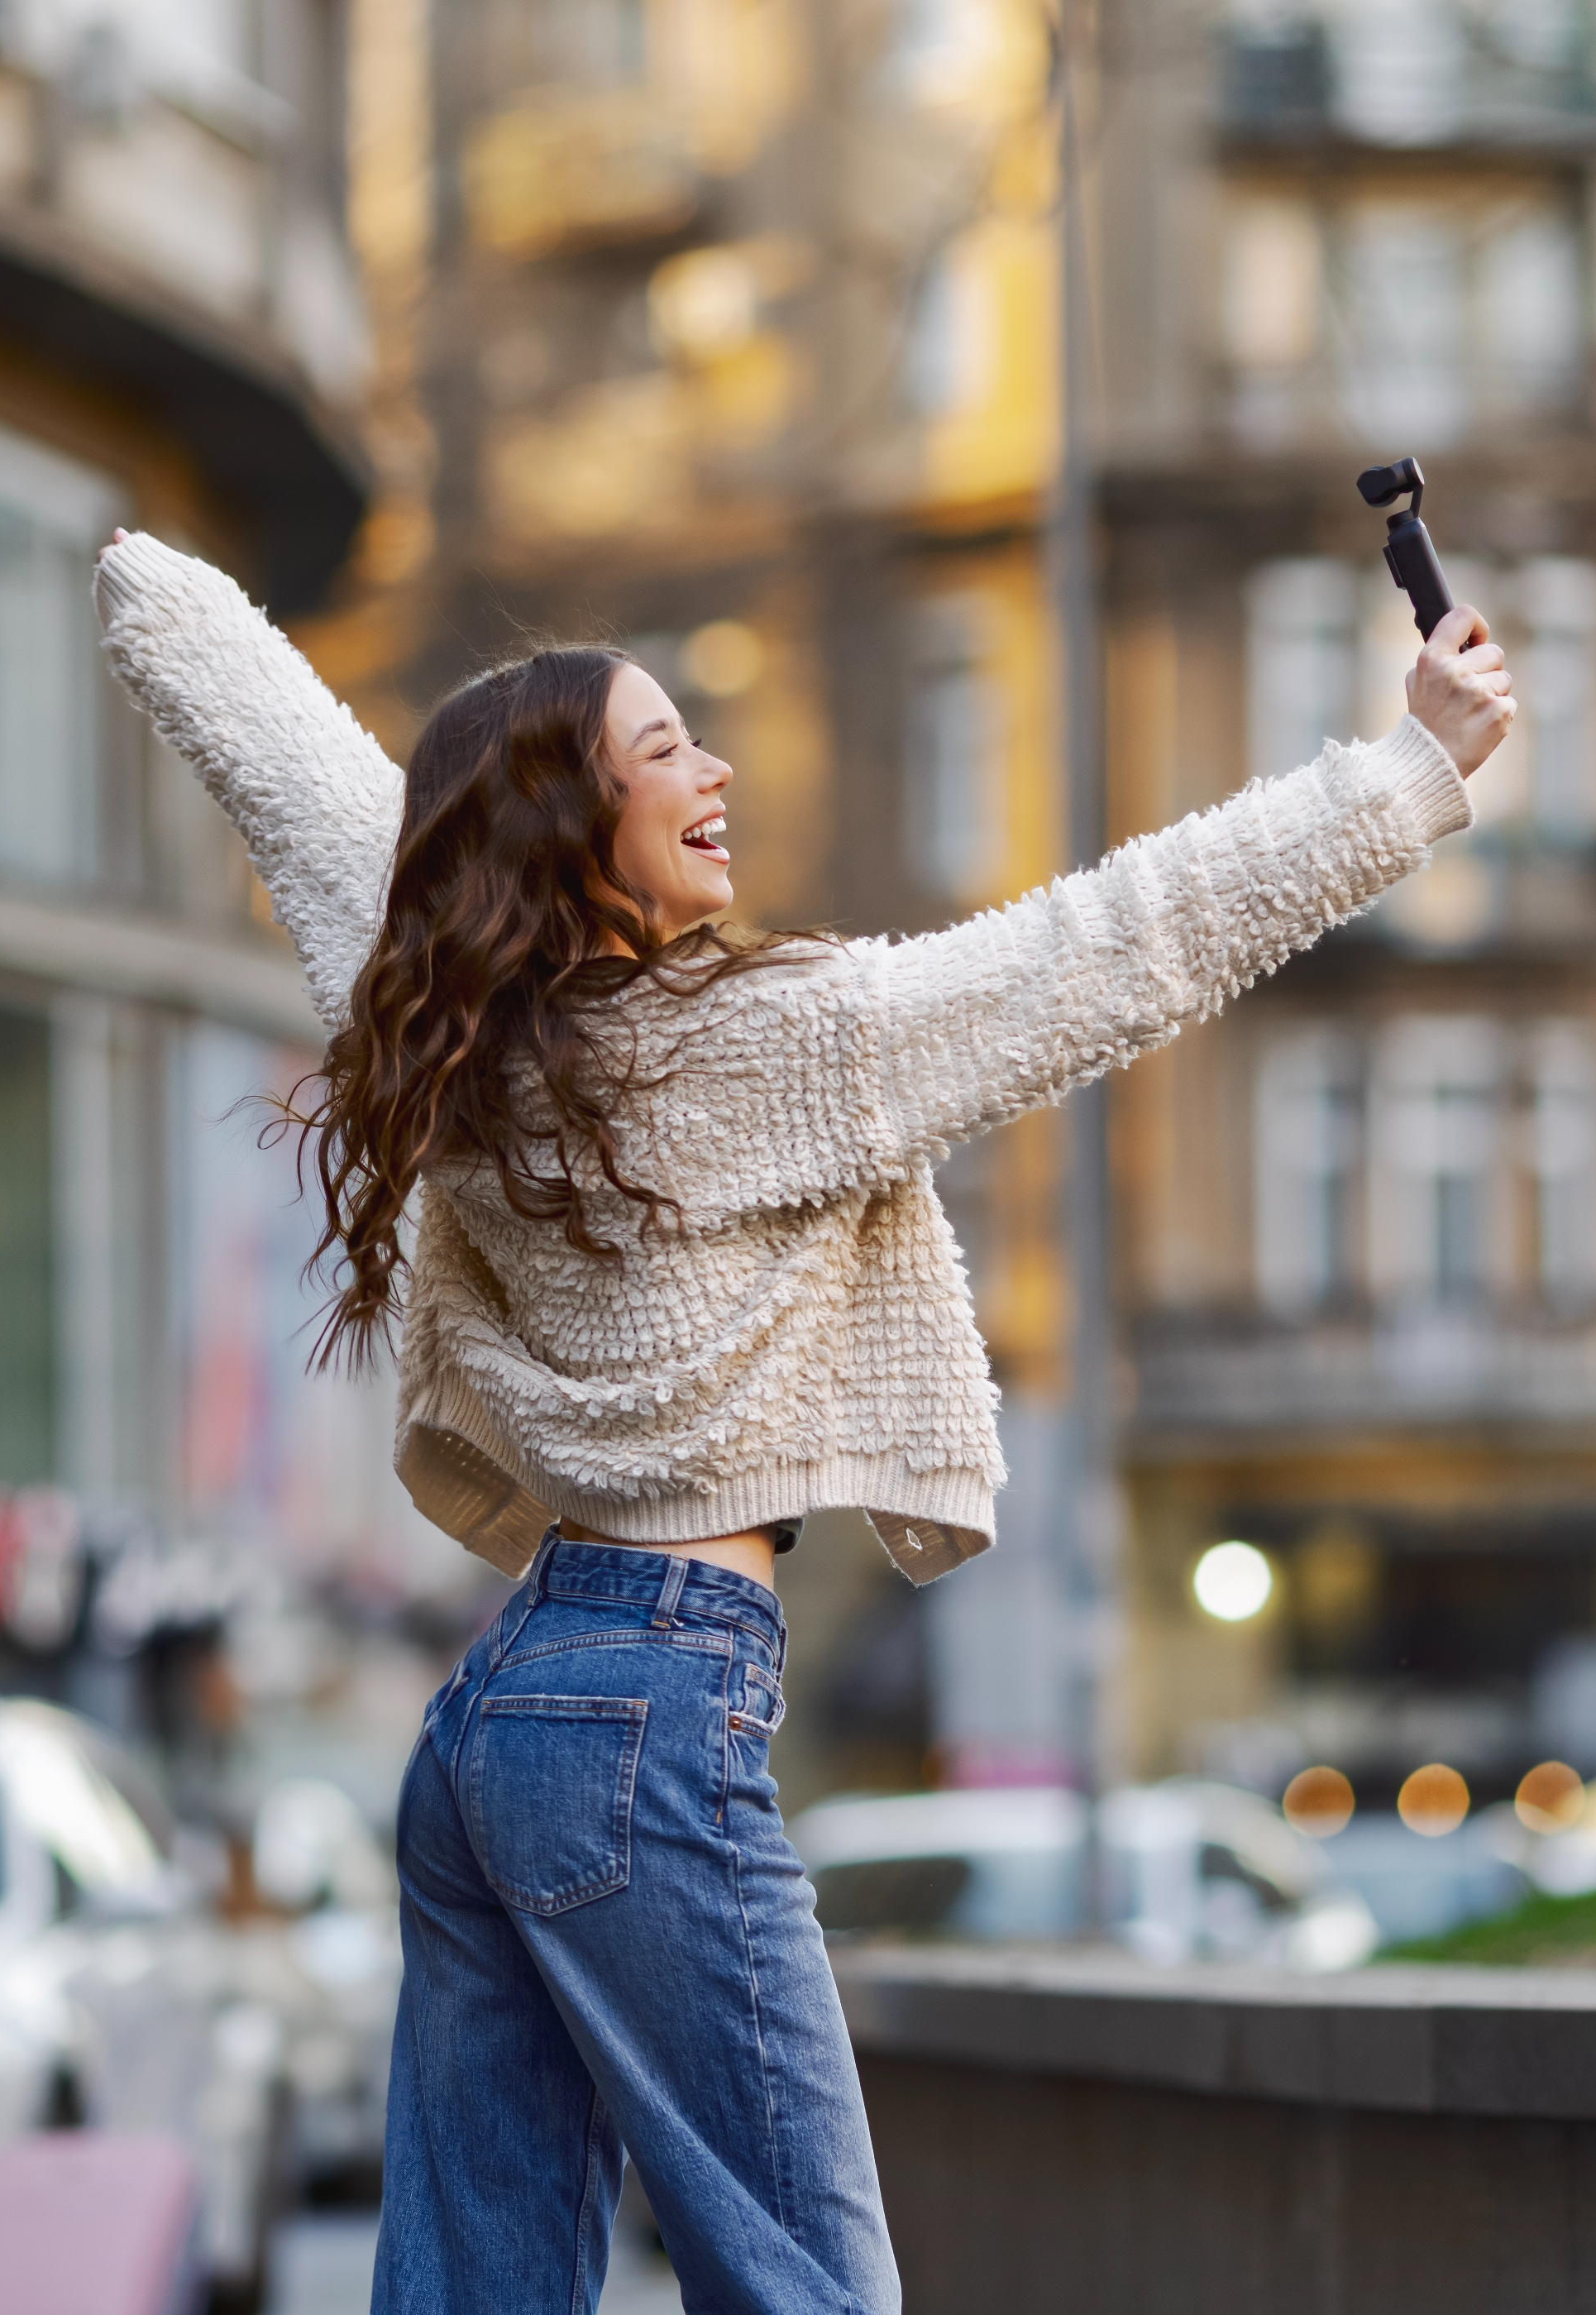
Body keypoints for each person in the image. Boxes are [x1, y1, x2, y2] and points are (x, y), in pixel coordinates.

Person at [93, 532, 1512, 2315]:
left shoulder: (451, 1037)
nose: (717, 773)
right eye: (666, 748)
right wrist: (1406, 771)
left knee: (469, 2292)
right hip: (649, 1705)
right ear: (568, 826)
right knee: (809, 2286)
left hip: (494, 1722)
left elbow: (286, 767)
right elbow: (1113, 946)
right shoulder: (775, 1045)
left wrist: (156, 588)